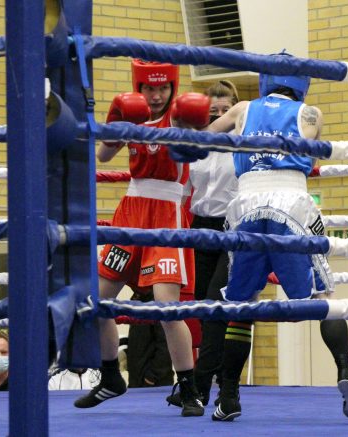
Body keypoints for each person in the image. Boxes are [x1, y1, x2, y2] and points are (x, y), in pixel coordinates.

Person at [204, 55, 348, 421]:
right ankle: (346, 370)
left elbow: (202, 138)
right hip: (290, 202)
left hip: (244, 206)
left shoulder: (243, 108)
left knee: (241, 306)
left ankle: (228, 396)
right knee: (324, 297)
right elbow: (307, 152)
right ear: (302, 83)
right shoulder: (310, 114)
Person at [74, 59, 211, 417]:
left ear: (172, 88)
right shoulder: (132, 116)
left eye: (162, 88)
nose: (155, 95)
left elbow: (194, 149)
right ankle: (109, 377)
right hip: (131, 215)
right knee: (98, 301)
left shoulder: (180, 117)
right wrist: (117, 119)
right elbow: (103, 154)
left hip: (166, 215)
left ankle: (188, 388)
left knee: (167, 306)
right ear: (139, 88)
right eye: (149, 89)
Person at [167, 80, 240, 408]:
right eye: (215, 112)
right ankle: (221, 385)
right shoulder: (194, 147)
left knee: (214, 306)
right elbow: (180, 193)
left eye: (227, 110)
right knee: (203, 305)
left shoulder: (245, 144)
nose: (221, 116)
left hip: (234, 230)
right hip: (199, 229)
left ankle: (199, 385)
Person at [126, 291, 175, 388]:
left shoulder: (157, 302)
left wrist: (153, 376)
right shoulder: (138, 300)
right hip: (137, 378)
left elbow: (165, 344)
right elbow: (140, 339)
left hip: (155, 382)